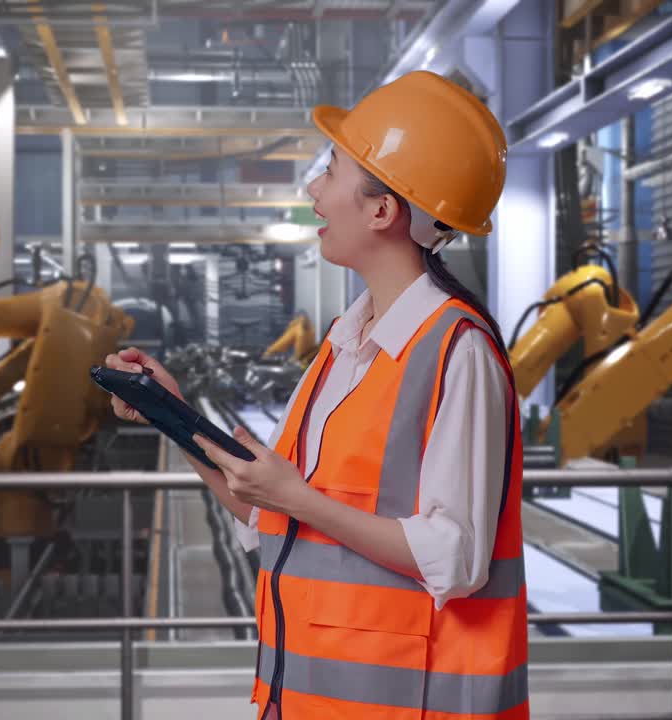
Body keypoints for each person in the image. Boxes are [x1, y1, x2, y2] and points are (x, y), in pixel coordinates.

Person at [104, 70, 528, 720]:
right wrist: (174, 414)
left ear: (382, 209)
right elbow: (267, 513)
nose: (313, 191)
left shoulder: (456, 352)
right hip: (302, 697)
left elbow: (456, 558)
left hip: (408, 704)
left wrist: (295, 497)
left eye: (329, 171)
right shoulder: (345, 344)